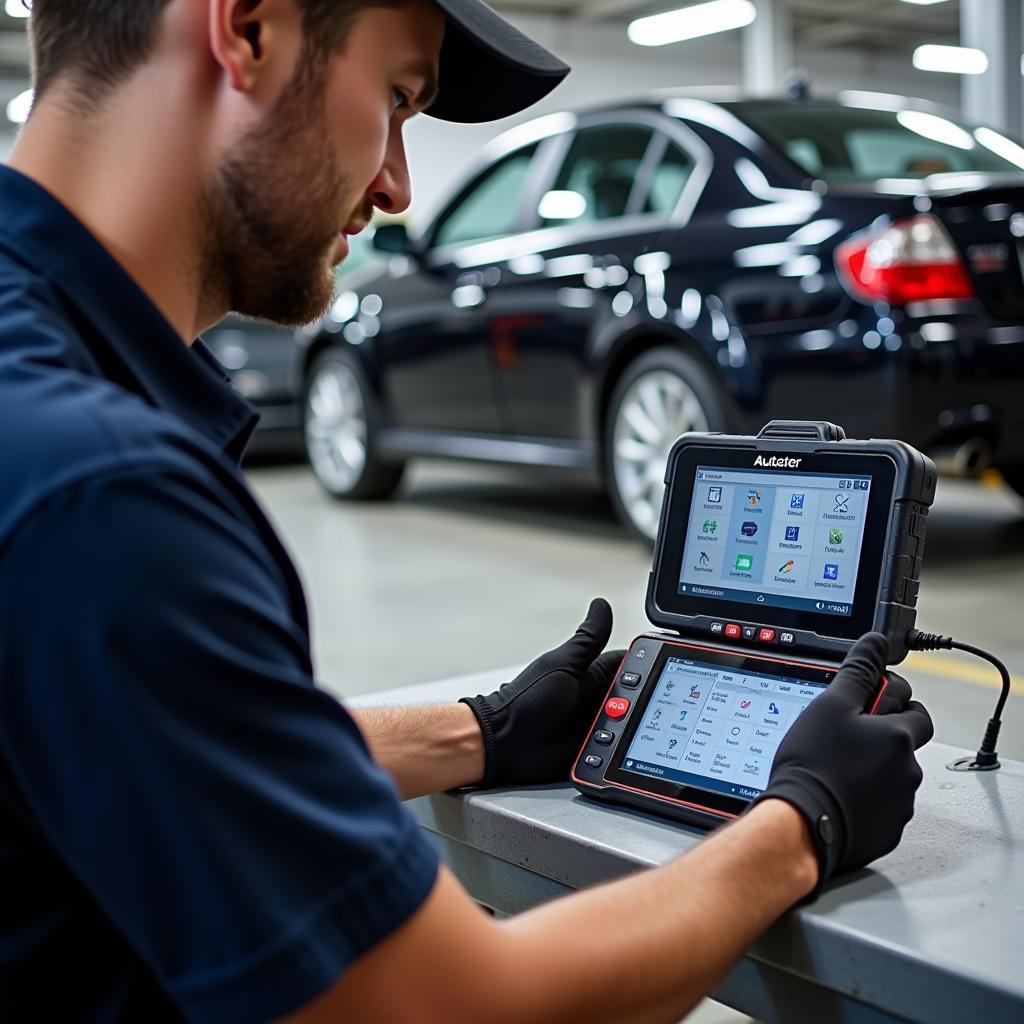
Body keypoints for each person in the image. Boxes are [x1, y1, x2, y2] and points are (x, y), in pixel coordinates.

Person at [0, 1, 933, 1021]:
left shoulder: (38, 397)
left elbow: (152, 749)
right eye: (396, 97)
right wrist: (798, 823)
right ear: (249, 27)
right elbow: (453, 1006)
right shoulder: (100, 492)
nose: (398, 186)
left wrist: (478, 732)